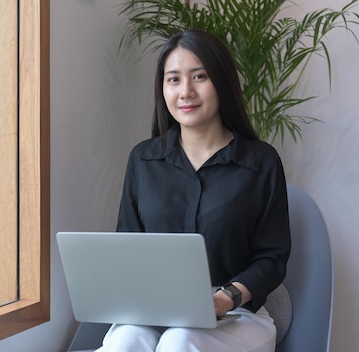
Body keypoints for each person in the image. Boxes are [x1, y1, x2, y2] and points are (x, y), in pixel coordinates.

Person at [96, 29, 291, 352]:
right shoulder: (143, 160)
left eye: (199, 76)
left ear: (222, 82)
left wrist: (226, 297)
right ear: (163, 89)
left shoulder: (261, 162)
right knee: (125, 343)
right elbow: (128, 245)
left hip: (237, 313)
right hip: (153, 309)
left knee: (179, 341)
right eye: (173, 79)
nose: (186, 91)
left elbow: (272, 258)